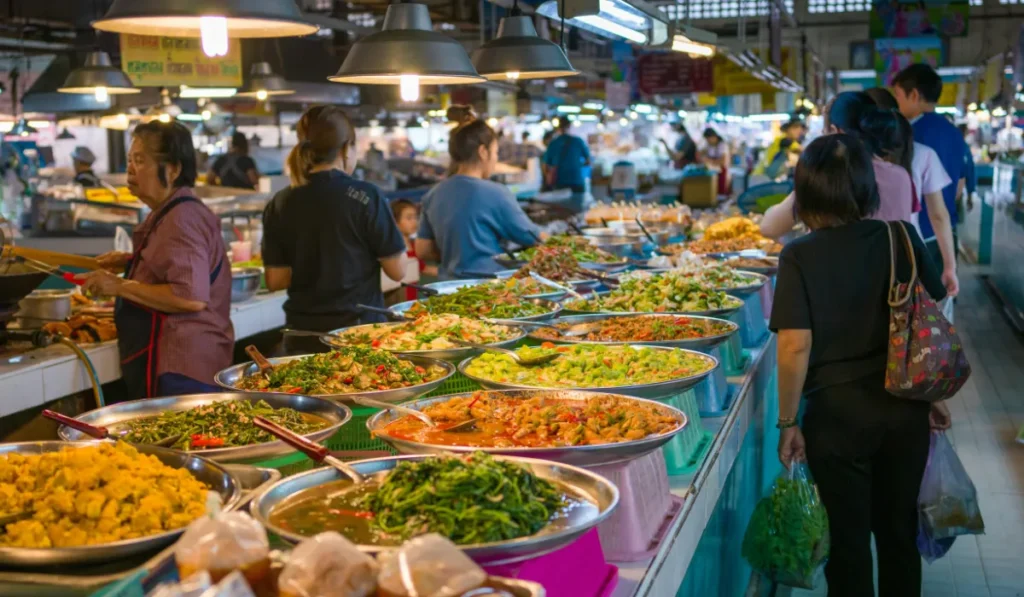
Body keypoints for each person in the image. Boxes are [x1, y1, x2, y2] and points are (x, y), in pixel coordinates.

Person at [770, 133, 951, 597]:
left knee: (848, 545)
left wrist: (788, 421)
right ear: (867, 188)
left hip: (836, 417)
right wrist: (934, 395)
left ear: (806, 191)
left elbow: (794, 346)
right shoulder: (901, 237)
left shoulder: (798, 256)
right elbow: (929, 314)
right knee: (897, 534)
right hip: (903, 408)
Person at [76, 121, 234, 398]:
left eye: (140, 160)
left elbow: (189, 297)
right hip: (184, 363)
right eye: (129, 159)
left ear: (172, 169)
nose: (130, 169)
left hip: (183, 368)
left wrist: (118, 285)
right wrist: (131, 262)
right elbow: (175, 266)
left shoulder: (181, 218)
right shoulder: (172, 209)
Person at [262, 105, 406, 347]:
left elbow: (275, 280)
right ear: (345, 149)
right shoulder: (366, 196)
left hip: (302, 336)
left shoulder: (281, 201)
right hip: (359, 336)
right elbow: (398, 271)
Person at [761, 92, 914, 238]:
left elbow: (769, 227)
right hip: (892, 265)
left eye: (824, 131)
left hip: (838, 265)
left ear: (835, 131)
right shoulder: (900, 176)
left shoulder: (827, 175)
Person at [416, 119, 543, 280]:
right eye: (496, 152)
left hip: (449, 288)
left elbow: (422, 250)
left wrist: (456, 253)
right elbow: (533, 237)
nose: (496, 159)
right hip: (489, 289)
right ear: (483, 152)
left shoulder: (432, 194)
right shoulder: (496, 193)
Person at [864, 87, 959, 297]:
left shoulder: (850, 159)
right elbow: (938, 215)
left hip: (860, 259)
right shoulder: (924, 154)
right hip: (909, 257)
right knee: (906, 322)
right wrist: (949, 267)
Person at [891, 64, 967, 280]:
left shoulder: (904, 135)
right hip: (946, 236)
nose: (896, 104)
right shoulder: (954, 132)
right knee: (940, 303)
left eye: (897, 96)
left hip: (915, 237)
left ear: (913, 95)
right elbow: (959, 186)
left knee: (913, 305)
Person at [391, 199, 437, 302]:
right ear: (395, 222)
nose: (414, 222)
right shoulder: (392, 249)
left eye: (416, 217)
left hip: (412, 297)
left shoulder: (414, 245)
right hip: (398, 297)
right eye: (409, 218)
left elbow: (424, 268)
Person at [542, 119, 590, 193]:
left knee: (560, 204)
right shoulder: (578, 141)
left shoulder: (553, 143)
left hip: (559, 182)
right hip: (576, 180)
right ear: (569, 126)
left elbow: (545, 166)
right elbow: (588, 162)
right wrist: (576, 165)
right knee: (577, 203)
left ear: (558, 127)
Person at [700, 127, 732, 196]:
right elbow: (701, 153)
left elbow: (723, 161)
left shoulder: (722, 145)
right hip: (712, 172)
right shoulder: (708, 145)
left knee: (721, 192)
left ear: (714, 137)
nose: (708, 141)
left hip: (722, 172)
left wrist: (710, 161)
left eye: (708, 139)